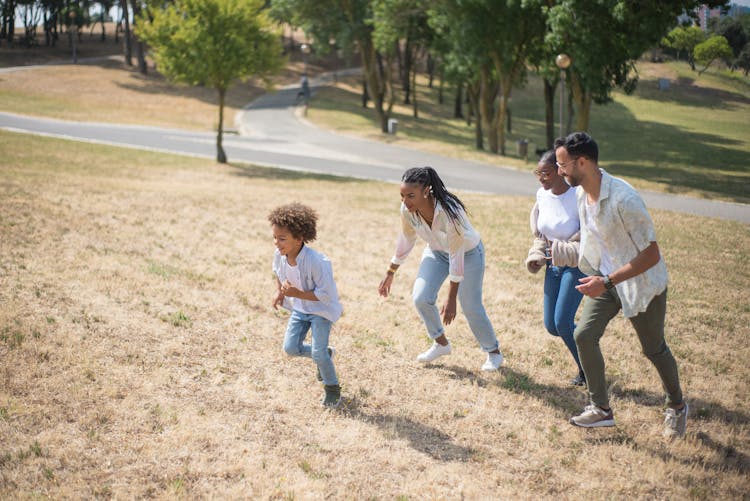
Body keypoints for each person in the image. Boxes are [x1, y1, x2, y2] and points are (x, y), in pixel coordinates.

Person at [554, 132, 688, 438]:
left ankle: (677, 406)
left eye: (563, 165)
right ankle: (601, 409)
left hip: (640, 282)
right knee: (584, 335)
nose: (560, 171)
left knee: (653, 349)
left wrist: (608, 280)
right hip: (606, 280)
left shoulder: (623, 199)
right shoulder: (580, 195)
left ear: (583, 162)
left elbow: (651, 254)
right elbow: (594, 239)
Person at [378, 166, 504, 371]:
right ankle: (441, 343)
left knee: (470, 306)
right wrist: (390, 272)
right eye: (402, 195)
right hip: (436, 252)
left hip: (468, 253)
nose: (405, 201)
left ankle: (494, 353)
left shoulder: (450, 211)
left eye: (410, 196)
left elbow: (457, 253)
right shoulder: (407, 210)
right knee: (420, 297)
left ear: (426, 191)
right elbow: (406, 239)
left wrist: (451, 296)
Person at [269, 203, 343, 408]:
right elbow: (278, 272)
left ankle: (332, 389)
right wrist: (279, 292)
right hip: (301, 309)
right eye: (275, 237)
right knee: (291, 348)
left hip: (321, 311)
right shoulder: (280, 255)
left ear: (299, 239)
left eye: (282, 238)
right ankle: (325, 354)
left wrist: (297, 293)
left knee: (317, 353)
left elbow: (326, 296)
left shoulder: (317, 262)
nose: (276, 242)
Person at [525, 150, 586, 386]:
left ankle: (587, 370)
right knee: (552, 326)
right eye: (538, 173)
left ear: (561, 171)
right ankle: (587, 338)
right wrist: (537, 253)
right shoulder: (542, 195)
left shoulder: (578, 195)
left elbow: (590, 233)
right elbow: (540, 232)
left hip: (576, 264)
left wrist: (564, 249)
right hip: (553, 264)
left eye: (546, 173)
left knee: (562, 322)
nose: (542, 178)